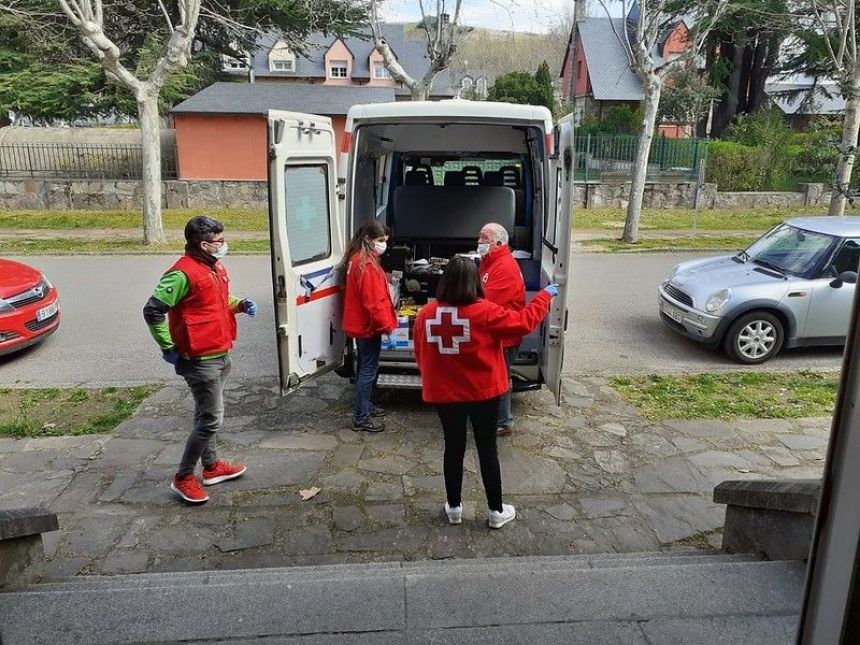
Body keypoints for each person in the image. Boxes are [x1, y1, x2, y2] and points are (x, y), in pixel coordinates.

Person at [414, 255, 558, 529]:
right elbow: (524, 323)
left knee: (453, 449)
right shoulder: (486, 312)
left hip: (445, 396)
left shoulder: (425, 314)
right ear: (475, 282)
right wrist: (543, 297)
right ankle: (495, 511)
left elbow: (421, 356)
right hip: (484, 394)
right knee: (487, 449)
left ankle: (454, 508)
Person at [143, 216, 256, 504]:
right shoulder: (181, 274)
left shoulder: (214, 266)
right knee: (211, 419)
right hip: (199, 360)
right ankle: (182, 477)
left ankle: (212, 467)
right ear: (204, 244)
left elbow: (218, 301)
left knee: (205, 414)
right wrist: (168, 347)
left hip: (220, 353)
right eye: (220, 241)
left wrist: (240, 305)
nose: (224, 245)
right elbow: (153, 311)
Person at [341, 220, 398, 433]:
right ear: (368, 239)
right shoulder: (367, 266)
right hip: (368, 327)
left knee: (365, 367)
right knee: (367, 371)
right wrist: (388, 328)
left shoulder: (357, 259)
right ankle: (361, 417)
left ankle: (365, 406)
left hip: (360, 325)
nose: (384, 245)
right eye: (381, 240)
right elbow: (374, 304)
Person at [477, 223, 526, 437]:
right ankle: (496, 417)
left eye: (485, 238)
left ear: (499, 243)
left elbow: (487, 300)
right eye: (479, 237)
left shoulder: (505, 266)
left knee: (500, 379)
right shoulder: (489, 261)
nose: (480, 242)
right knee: (495, 377)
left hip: (504, 335)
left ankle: (504, 422)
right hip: (494, 332)